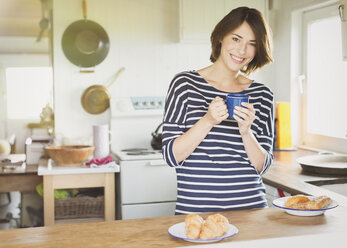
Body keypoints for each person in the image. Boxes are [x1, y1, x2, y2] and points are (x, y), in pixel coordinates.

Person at [162, 6, 274, 215]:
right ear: (221, 36)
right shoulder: (184, 84)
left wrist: (246, 132)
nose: (241, 51)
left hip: (251, 212)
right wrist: (207, 120)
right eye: (236, 39)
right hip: (196, 213)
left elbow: (263, 166)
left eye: (252, 44)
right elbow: (171, 156)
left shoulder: (262, 94)